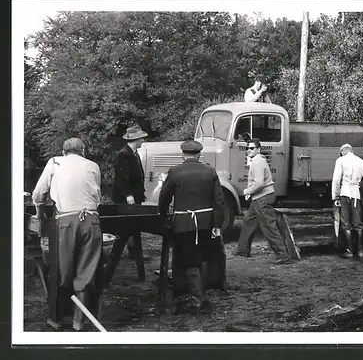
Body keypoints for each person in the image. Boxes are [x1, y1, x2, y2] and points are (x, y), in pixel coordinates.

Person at [32, 138, 103, 331]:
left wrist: (39, 214)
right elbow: (97, 195)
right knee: (86, 271)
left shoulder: (55, 162)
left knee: (60, 271)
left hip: (65, 222)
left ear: (64, 151)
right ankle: (79, 321)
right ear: (83, 151)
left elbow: (39, 194)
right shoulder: (93, 166)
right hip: (92, 220)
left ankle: (56, 318)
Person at [158, 140, 226, 315]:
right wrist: (217, 224)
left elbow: (164, 197)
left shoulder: (175, 172)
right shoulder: (210, 171)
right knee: (202, 257)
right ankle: (195, 293)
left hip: (183, 223)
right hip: (206, 222)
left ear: (183, 154)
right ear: (199, 155)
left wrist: (163, 215)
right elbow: (219, 200)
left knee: (187, 257)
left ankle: (195, 298)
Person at [234, 139, 292, 264]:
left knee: (268, 227)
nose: (249, 150)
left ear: (258, 149)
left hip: (263, 199)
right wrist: (251, 193)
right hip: (259, 198)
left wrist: (247, 192)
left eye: (252, 148)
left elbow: (259, 183)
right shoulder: (257, 161)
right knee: (248, 220)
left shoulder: (258, 162)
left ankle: (283, 256)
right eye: (247, 148)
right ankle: (243, 249)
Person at [104, 125, 148, 286]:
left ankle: (134, 253)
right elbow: (121, 178)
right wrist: (128, 195)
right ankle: (119, 257)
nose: (143, 139)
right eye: (141, 138)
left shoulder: (133, 154)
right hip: (126, 198)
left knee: (133, 227)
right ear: (134, 140)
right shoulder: (123, 156)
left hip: (134, 197)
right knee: (125, 228)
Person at [331, 144, 363, 258]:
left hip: (344, 193)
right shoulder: (361, 161)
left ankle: (350, 251)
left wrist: (336, 196)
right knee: (358, 223)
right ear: (352, 151)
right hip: (356, 194)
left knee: (346, 222)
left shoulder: (340, 160)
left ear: (342, 151)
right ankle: (361, 251)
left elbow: (337, 179)